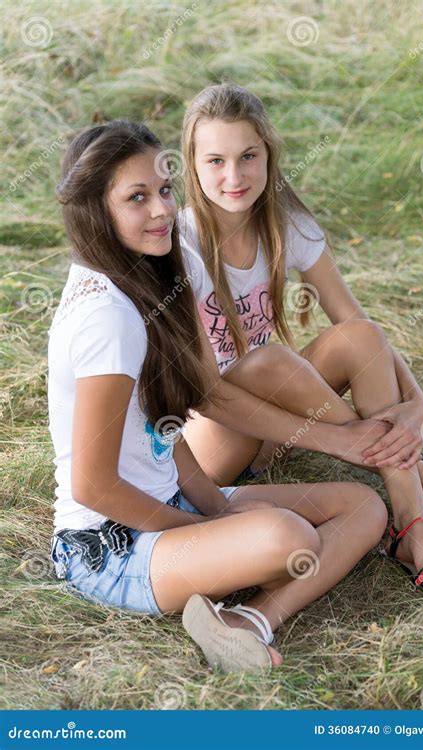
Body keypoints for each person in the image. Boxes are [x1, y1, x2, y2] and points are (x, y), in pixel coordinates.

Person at [48, 119, 388, 674]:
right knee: (288, 537)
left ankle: (248, 621)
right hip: (111, 547)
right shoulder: (107, 319)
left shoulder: (143, 277)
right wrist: (204, 530)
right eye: (136, 198)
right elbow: (93, 484)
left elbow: (162, 427)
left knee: (363, 506)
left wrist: (213, 502)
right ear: (93, 210)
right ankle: (236, 577)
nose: (161, 210)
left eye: (163, 189)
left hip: (169, 505)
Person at [178, 83, 423, 594]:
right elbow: (206, 392)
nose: (233, 176)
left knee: (356, 338)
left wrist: (418, 405)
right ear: (192, 165)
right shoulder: (181, 245)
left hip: (274, 427)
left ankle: (411, 517)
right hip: (204, 440)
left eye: (248, 156)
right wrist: (342, 438)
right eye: (215, 160)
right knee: (269, 361)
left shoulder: (285, 223)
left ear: (268, 153)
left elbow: (362, 329)